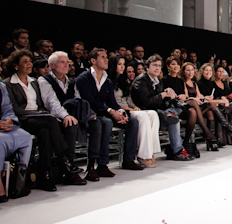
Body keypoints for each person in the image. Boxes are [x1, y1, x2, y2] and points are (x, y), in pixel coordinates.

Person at [4, 50, 81, 191]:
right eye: (25, 62)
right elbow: (14, 108)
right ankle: (65, 159)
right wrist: (37, 114)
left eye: (30, 61)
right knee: (51, 120)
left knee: (45, 132)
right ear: (15, 66)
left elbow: (40, 104)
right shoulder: (8, 84)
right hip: (22, 119)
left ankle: (45, 175)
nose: (29, 64)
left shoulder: (34, 82)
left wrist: (40, 113)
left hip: (39, 119)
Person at [76, 49, 144, 175]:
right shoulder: (83, 79)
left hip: (105, 113)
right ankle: (102, 164)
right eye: (103, 57)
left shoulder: (107, 81)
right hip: (90, 114)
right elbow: (89, 101)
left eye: (106, 57)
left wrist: (121, 112)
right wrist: (111, 111)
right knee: (107, 123)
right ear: (93, 61)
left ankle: (128, 160)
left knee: (132, 121)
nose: (106, 60)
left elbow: (112, 101)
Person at [38, 51, 100, 185]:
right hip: (55, 117)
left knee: (97, 123)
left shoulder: (71, 82)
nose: (66, 65)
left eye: (67, 62)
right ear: (51, 65)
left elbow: (78, 101)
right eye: (62, 62)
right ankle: (69, 168)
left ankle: (91, 166)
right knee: (71, 125)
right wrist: (66, 115)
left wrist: (88, 115)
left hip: (72, 115)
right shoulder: (44, 80)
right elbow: (51, 103)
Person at [131, 55, 193, 161]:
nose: (157, 68)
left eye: (159, 66)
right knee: (171, 117)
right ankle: (177, 150)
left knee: (173, 117)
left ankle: (177, 151)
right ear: (147, 67)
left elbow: (158, 101)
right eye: (154, 65)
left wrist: (168, 94)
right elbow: (146, 102)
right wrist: (162, 95)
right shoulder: (141, 80)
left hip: (155, 111)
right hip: (143, 112)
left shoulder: (157, 80)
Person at [108, 54, 160, 168]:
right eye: (119, 64)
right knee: (143, 116)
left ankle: (151, 152)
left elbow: (128, 99)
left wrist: (134, 106)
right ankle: (143, 155)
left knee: (153, 114)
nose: (122, 67)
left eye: (123, 64)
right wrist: (128, 108)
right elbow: (111, 102)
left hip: (128, 109)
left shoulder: (124, 81)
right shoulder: (109, 81)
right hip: (119, 110)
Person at [177, 62, 220, 154]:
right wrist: (196, 99)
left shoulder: (194, 83)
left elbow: (200, 96)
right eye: (188, 70)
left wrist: (205, 98)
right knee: (195, 106)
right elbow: (186, 97)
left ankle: (210, 137)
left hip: (197, 108)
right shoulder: (182, 82)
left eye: (192, 70)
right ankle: (207, 133)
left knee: (210, 107)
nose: (190, 72)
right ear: (183, 71)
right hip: (187, 108)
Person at [0, 81, 33, 202]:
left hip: (4, 126)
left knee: (25, 137)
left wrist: (8, 120)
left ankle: (19, 180)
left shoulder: (1, 87)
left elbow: (7, 109)